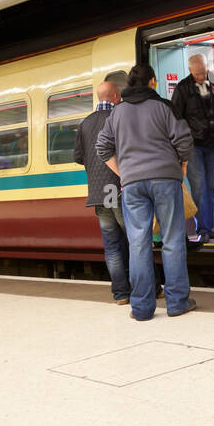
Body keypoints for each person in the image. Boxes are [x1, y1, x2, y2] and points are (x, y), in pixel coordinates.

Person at [96, 63, 195, 320]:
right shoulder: (164, 107)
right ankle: (177, 303)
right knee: (172, 240)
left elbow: (102, 147)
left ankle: (141, 308)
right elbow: (184, 140)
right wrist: (181, 166)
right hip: (165, 179)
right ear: (152, 81)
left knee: (138, 244)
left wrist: (124, 173)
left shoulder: (117, 113)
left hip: (133, 185)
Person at [73, 78, 131, 304]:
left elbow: (78, 157)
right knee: (134, 240)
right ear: (116, 97)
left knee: (112, 246)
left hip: (99, 194)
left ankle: (120, 294)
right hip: (119, 189)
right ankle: (149, 287)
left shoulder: (85, 123)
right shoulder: (120, 118)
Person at [172, 53, 214, 242]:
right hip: (193, 145)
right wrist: (181, 144)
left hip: (212, 143)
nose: (202, 77)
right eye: (197, 74)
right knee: (199, 188)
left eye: (203, 72)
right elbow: (176, 119)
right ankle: (202, 228)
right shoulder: (182, 89)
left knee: (211, 188)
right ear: (190, 71)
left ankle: (208, 227)